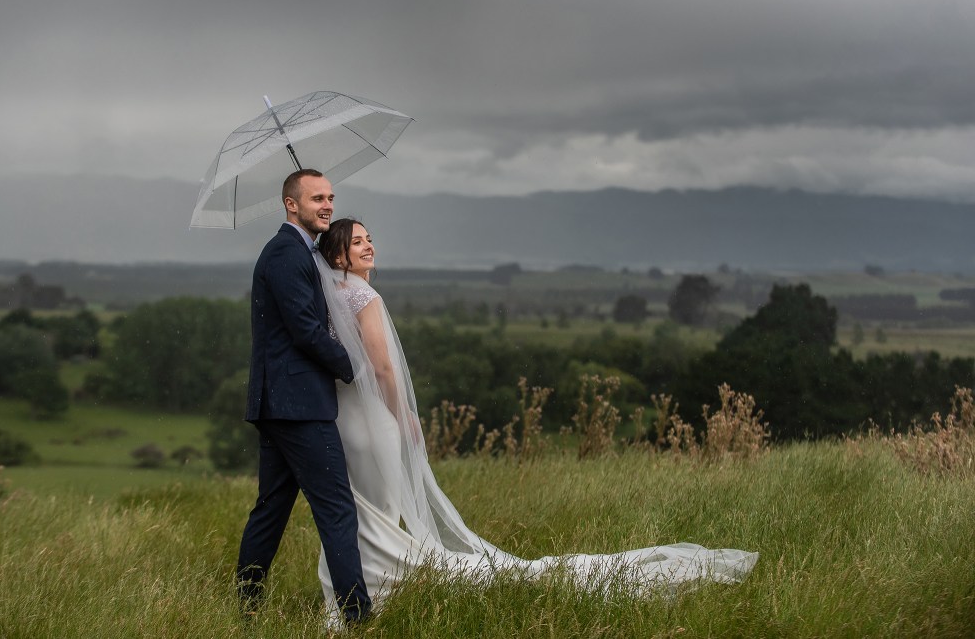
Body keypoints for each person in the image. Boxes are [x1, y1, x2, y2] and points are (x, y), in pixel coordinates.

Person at [315, 218, 758, 615]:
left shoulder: (327, 299)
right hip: (374, 420)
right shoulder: (364, 295)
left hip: (344, 422)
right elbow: (383, 368)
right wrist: (403, 413)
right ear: (338, 256)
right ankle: (379, 587)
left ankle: (358, 588)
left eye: (370, 239)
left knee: (357, 510)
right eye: (357, 242)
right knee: (380, 510)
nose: (369, 246)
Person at [236, 171, 371, 625]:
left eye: (330, 197)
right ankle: (356, 617)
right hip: (298, 405)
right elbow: (306, 331)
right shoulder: (285, 253)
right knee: (337, 508)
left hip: (284, 402)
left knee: (271, 509)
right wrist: (354, 368)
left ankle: (247, 608)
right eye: (317, 199)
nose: (327, 205)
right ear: (291, 205)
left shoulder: (300, 252)